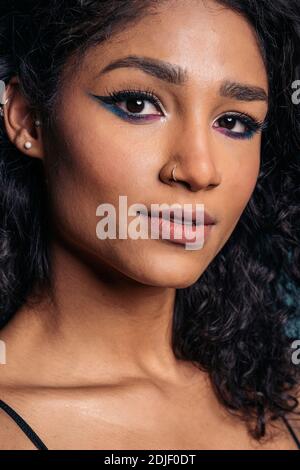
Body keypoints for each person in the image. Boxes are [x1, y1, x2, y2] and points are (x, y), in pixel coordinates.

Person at [0, 0, 299, 450]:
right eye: (138, 104)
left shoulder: (284, 399)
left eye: (234, 122)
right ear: (28, 118)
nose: (199, 170)